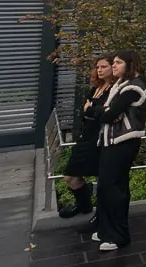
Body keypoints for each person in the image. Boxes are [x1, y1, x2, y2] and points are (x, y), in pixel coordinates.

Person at [92, 50, 146, 252]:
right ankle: (106, 230)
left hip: (124, 142)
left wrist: (101, 111)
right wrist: (103, 111)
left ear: (129, 64)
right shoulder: (120, 85)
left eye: (118, 62)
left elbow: (108, 114)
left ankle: (119, 235)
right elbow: (104, 112)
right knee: (105, 186)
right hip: (110, 141)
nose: (113, 66)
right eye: (113, 62)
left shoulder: (134, 87)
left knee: (115, 187)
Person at [58, 54, 115, 221]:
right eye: (97, 67)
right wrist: (90, 111)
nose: (99, 70)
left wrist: (90, 111)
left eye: (104, 67)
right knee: (70, 175)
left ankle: (100, 213)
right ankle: (84, 203)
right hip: (86, 135)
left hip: (99, 138)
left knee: (103, 177)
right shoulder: (97, 87)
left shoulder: (113, 90)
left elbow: (102, 113)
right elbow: (88, 110)